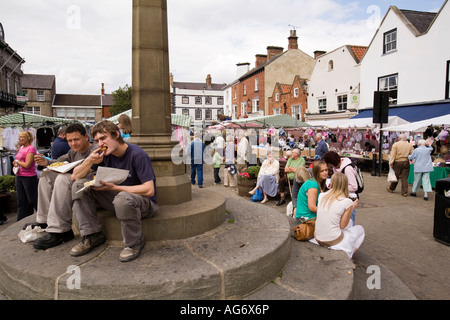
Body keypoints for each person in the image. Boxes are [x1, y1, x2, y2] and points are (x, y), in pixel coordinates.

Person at [71, 120, 158, 262]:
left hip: (144, 203)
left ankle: (134, 243)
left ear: (116, 135)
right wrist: (89, 161)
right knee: (78, 186)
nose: (100, 144)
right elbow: (74, 177)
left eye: (103, 138)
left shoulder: (137, 154)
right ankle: (92, 235)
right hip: (117, 199)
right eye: (97, 140)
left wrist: (115, 188)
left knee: (122, 197)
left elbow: (149, 190)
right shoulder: (104, 156)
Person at [30, 123, 99, 250]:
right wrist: (46, 162)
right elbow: (58, 162)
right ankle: (43, 221)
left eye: (76, 139)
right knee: (46, 177)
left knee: (63, 178)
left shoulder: (95, 149)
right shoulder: (73, 152)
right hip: (77, 182)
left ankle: (60, 230)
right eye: (70, 141)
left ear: (86, 136)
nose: (73, 143)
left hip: (90, 188)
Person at [312, 173, 364, 259]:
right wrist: (351, 208)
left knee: (350, 222)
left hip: (318, 237)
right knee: (361, 230)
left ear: (331, 183)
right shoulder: (347, 202)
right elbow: (342, 226)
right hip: (333, 240)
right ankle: (349, 257)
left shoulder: (322, 196)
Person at [323, 151, 359, 224]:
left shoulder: (347, 169)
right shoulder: (335, 168)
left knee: (349, 221)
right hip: (341, 197)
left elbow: (354, 187)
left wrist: (338, 187)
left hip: (349, 198)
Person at [13, 131, 38, 221]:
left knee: (32, 199)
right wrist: (15, 163)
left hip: (29, 177)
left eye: (22, 137)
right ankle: (20, 220)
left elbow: (27, 164)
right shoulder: (22, 148)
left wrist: (17, 162)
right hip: (19, 176)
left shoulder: (31, 149)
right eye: (19, 137)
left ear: (27, 139)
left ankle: (42, 216)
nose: (20, 139)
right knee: (21, 200)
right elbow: (18, 160)